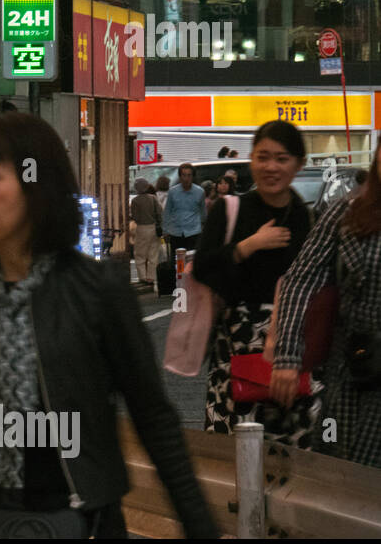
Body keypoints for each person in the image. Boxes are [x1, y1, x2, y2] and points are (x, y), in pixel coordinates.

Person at [0, 113, 216, 539]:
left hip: (83, 522)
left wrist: (201, 528)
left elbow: (155, 421)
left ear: (37, 185)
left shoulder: (99, 290)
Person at [193, 121, 317, 448]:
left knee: (293, 450)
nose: (271, 167)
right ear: (251, 160)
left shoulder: (304, 216)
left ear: (298, 165)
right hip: (236, 346)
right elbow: (202, 268)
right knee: (235, 449)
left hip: (288, 347)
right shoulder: (231, 209)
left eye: (281, 158)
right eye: (263, 157)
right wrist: (249, 246)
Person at [272, 143, 381, 467]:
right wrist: (288, 356)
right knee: (345, 469)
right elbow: (300, 280)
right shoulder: (347, 211)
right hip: (355, 369)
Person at [162, 162, 207, 258]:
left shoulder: (200, 192)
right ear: (180, 176)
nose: (186, 179)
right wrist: (165, 230)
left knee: (191, 261)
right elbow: (167, 211)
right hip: (176, 232)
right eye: (183, 175)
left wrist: (203, 229)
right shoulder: (173, 192)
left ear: (193, 177)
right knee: (176, 261)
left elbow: (203, 213)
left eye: (189, 175)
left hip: (193, 232)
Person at [130, 177, 163, 289]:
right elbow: (160, 212)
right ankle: (151, 277)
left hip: (142, 228)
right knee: (153, 254)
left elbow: (135, 216)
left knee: (140, 254)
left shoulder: (135, 201)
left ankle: (143, 277)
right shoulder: (153, 198)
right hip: (153, 227)